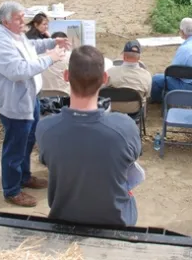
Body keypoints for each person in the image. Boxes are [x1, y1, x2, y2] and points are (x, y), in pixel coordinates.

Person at [36, 45, 142, 226]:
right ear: (104, 79)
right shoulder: (125, 127)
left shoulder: (45, 128)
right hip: (116, 221)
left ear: (66, 76)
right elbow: (131, 162)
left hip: (63, 218)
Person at [0, 1, 70, 207]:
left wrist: (51, 43)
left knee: (28, 140)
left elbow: (29, 47)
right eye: (18, 18)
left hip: (28, 98)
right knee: (15, 147)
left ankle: (24, 177)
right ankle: (12, 190)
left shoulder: (15, 34)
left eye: (23, 16)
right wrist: (50, 58)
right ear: (6, 21)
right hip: (15, 103)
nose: (23, 21)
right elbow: (18, 71)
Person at [150, 17, 192, 102]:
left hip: (189, 85)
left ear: (182, 31)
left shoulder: (185, 48)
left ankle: (158, 101)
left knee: (156, 80)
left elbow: (172, 71)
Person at [106, 40, 152, 115]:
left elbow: (102, 90)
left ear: (123, 56)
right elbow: (147, 95)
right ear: (139, 58)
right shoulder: (146, 75)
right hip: (135, 110)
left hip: (113, 110)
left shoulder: (110, 72)